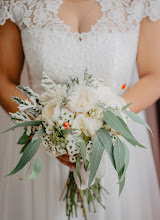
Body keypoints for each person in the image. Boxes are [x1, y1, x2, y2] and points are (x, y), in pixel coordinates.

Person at [0, 0, 160, 219]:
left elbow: (154, 75)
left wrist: (108, 124)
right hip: (44, 152)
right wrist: (51, 131)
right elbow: (4, 79)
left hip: (115, 146)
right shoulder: (16, 3)